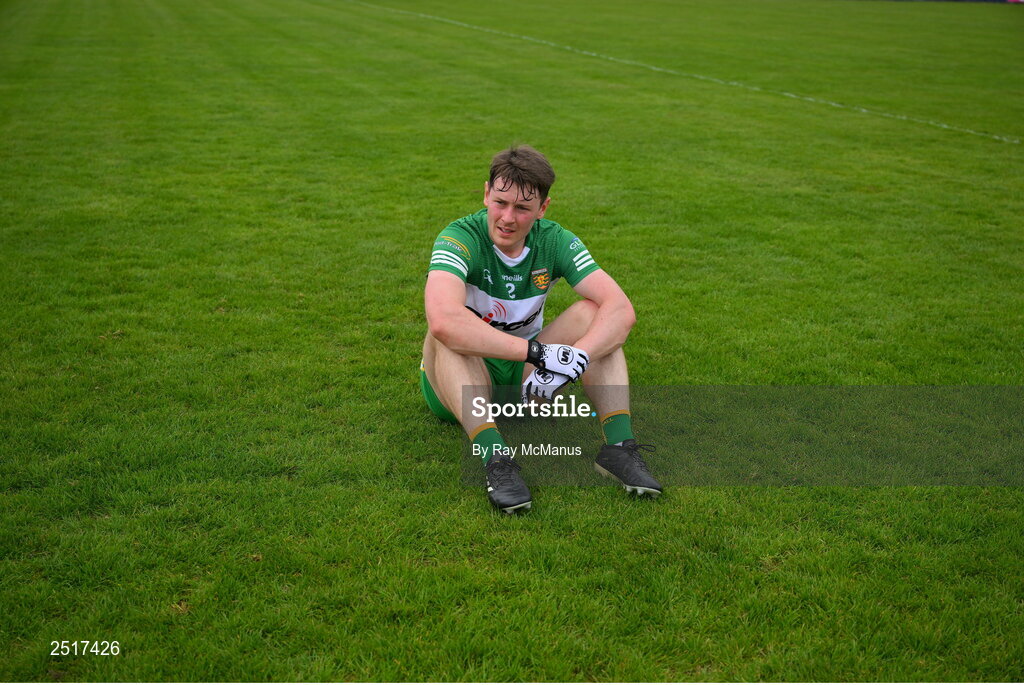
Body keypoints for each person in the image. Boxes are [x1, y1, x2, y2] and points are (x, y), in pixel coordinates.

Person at [420, 145, 661, 513]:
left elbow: (621, 309)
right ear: (485, 193)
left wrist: (577, 358)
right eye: (500, 202)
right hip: (458, 382)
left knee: (595, 312)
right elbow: (442, 320)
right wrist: (540, 353)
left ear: (543, 208)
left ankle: (618, 448)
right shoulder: (459, 236)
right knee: (446, 333)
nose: (507, 218)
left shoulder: (554, 239)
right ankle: (496, 460)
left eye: (522, 208)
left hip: (526, 383)